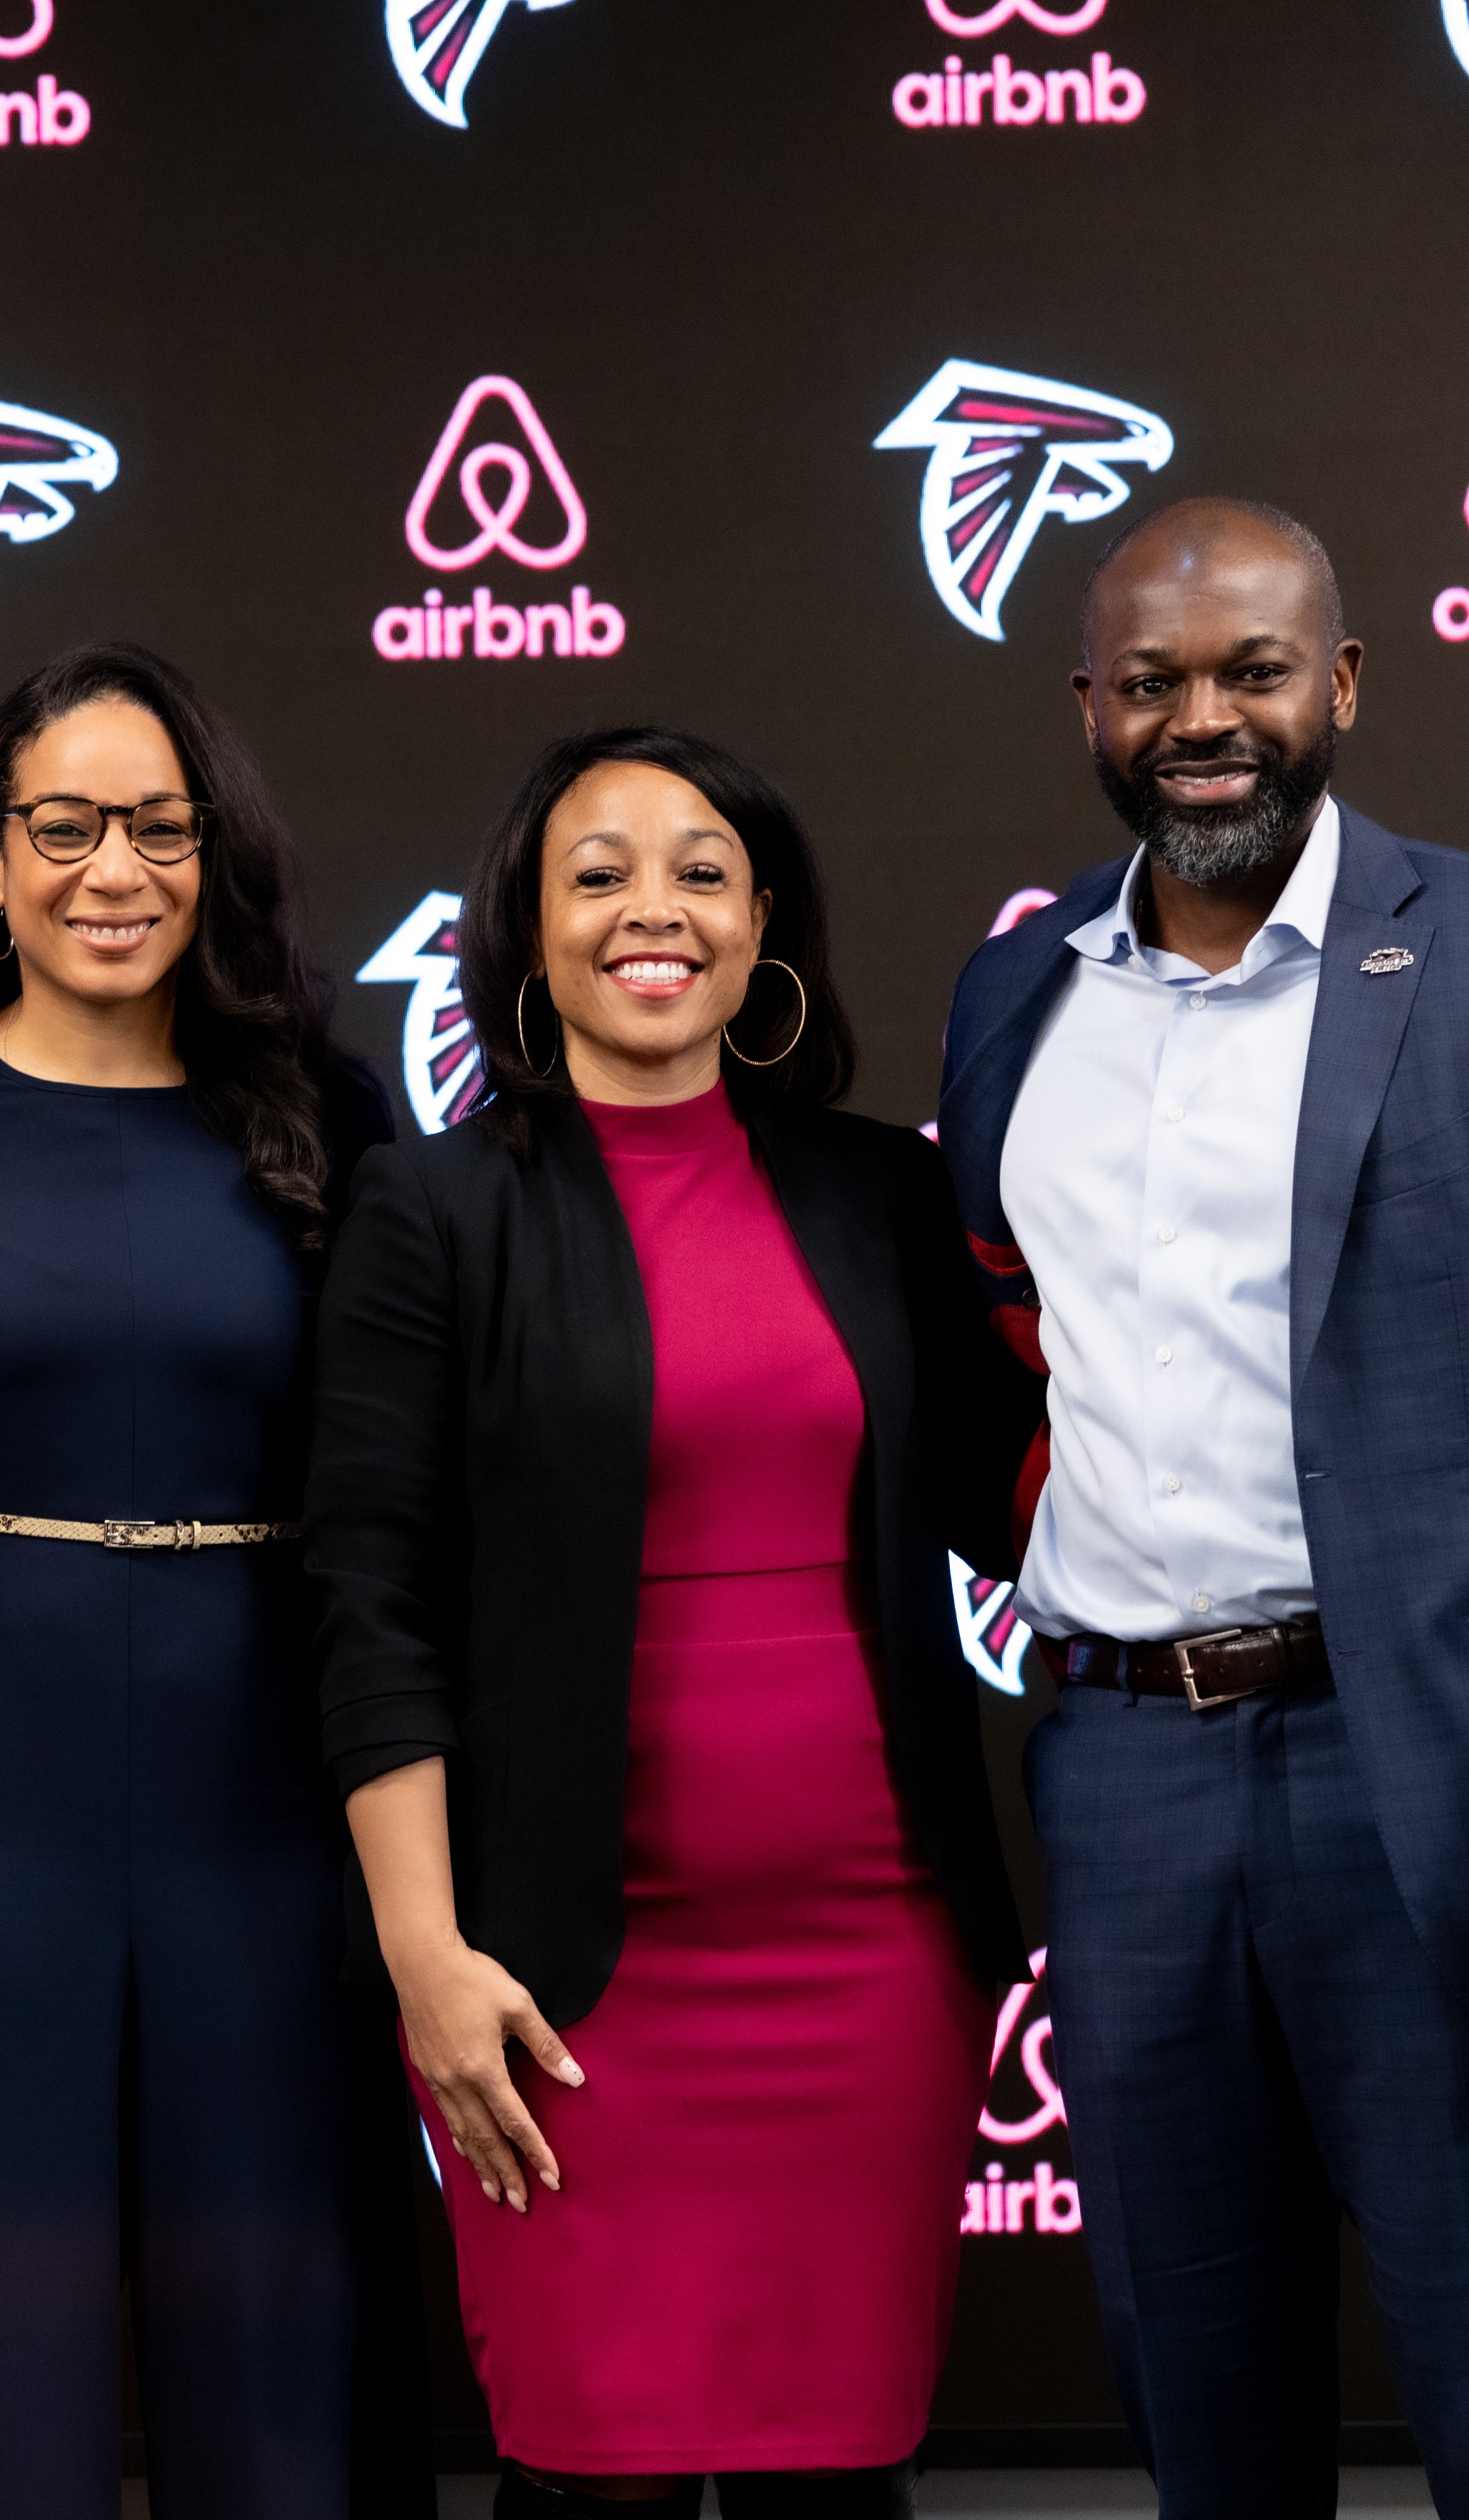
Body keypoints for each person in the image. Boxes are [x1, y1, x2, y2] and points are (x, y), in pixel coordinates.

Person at [936, 497, 1469, 2518]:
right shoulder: (1018, 994)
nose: (1203, 717)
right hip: (1125, 1779)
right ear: (1090, 708)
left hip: (1444, 1802)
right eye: (1153, 683)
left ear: (1346, 684)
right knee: (1204, 2424)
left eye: (1252, 672)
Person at [309, 728, 1036, 2516]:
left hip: (875, 1960)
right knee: (587, 2478)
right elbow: (369, 1601)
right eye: (601, 871)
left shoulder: (883, 1194)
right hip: (564, 1988)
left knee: (838, 2482)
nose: (658, 909)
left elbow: (1018, 1496)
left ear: (765, 921)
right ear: (527, 932)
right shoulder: (431, 1210)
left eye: (704, 871)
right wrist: (426, 1958)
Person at [0, 644, 413, 2519]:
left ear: (218, 859)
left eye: (160, 825)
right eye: (63, 825)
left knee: (280, 2302)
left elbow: (398, 1489)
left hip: (271, 1769)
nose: (112, 868)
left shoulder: (332, 1112)